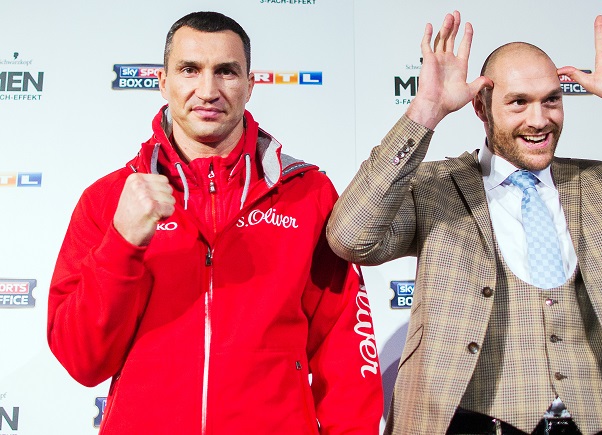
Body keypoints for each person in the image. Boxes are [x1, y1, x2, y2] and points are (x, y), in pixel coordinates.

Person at [327, 5, 602, 435]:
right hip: (470, 422)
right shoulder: (434, 187)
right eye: (518, 102)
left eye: (551, 100)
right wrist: (425, 112)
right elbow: (350, 238)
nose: (539, 121)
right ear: (481, 108)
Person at [48, 11, 381, 435]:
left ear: (250, 84)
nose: (207, 90)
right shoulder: (109, 199)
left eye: (226, 72)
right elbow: (82, 361)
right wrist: (122, 243)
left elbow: (347, 351)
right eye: (190, 70)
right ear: (163, 81)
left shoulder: (308, 194)